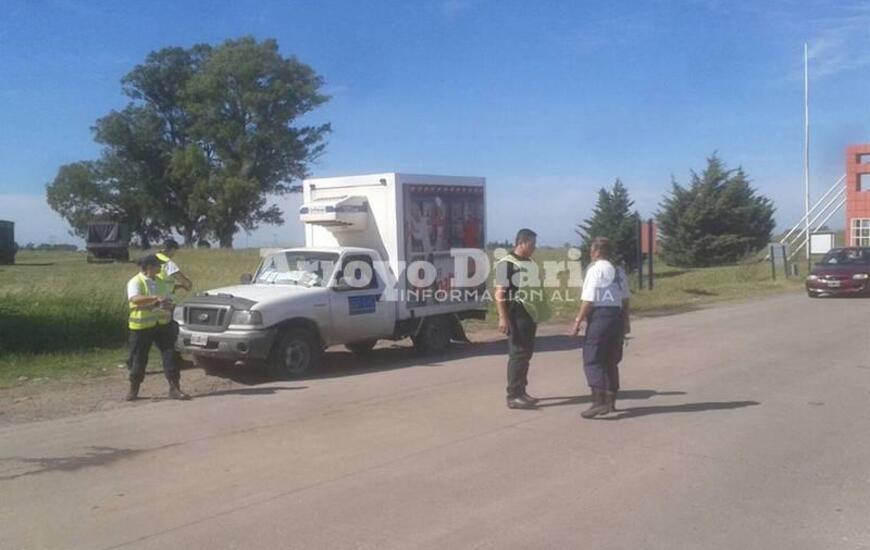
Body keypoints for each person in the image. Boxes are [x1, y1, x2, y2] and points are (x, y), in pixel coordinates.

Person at [569, 237, 631, 418]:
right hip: (617, 317)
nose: (590, 254)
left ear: (596, 252)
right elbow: (626, 298)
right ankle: (611, 401)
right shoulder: (618, 271)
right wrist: (626, 321)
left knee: (593, 358)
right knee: (610, 360)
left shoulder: (594, 269)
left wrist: (577, 322)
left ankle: (599, 402)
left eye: (591, 250)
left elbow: (588, 299)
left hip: (600, 316)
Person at [495, 228, 551, 409]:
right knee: (518, 355)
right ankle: (513, 395)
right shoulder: (507, 264)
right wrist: (503, 318)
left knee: (526, 355)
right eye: (532, 244)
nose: (534, 247)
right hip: (515, 315)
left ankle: (521, 390)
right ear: (521, 243)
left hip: (529, 316)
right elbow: (500, 292)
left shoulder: (530, 262)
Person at [126, 254, 191, 401]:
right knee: (139, 358)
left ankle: (175, 389)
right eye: (157, 265)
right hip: (141, 327)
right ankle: (133, 390)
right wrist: (156, 300)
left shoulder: (161, 282)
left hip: (163, 325)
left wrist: (170, 301)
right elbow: (135, 299)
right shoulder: (135, 282)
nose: (160, 268)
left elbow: (169, 296)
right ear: (149, 267)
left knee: (170, 356)